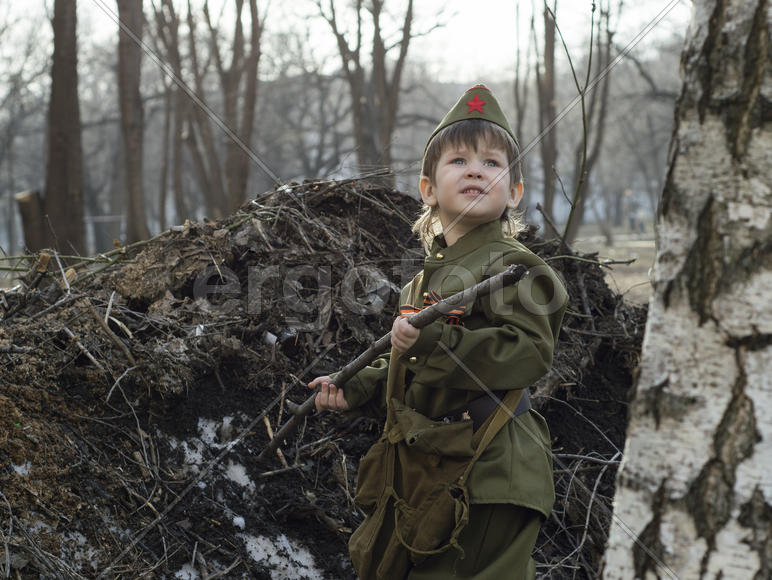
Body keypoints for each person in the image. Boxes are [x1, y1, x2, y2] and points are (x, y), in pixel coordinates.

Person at [308, 84, 567, 579]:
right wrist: (357, 385)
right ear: (428, 189)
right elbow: (410, 369)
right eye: (459, 161)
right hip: (435, 474)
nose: (476, 170)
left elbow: (530, 353)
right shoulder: (421, 282)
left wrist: (434, 341)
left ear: (514, 193)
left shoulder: (515, 266)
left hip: (491, 471)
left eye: (492, 163)